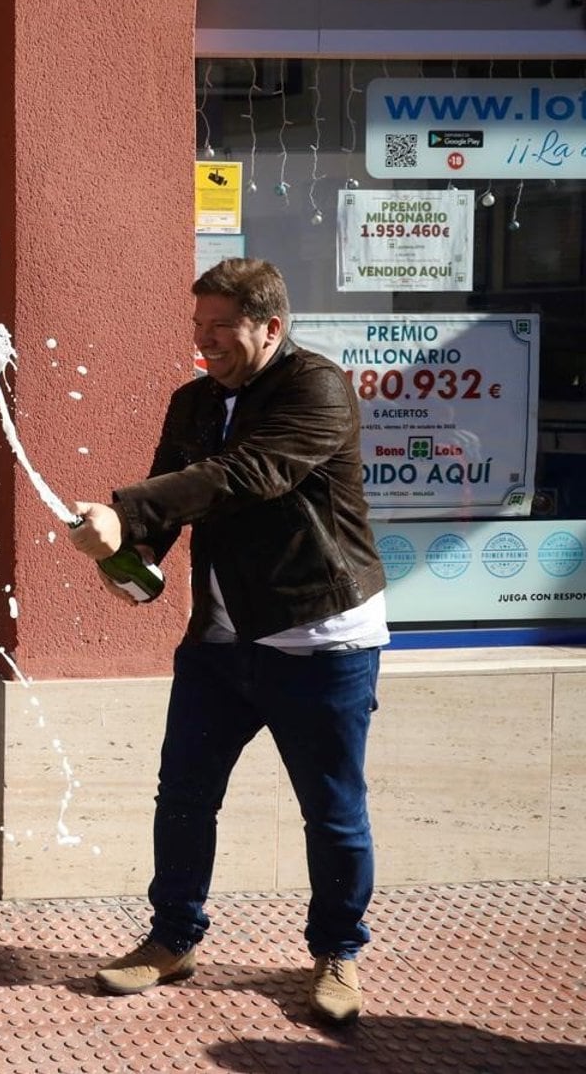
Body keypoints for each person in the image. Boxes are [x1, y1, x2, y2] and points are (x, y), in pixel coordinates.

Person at [66, 257, 387, 1027]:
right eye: (197, 326)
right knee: (183, 793)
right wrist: (130, 556)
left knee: (332, 810)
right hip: (218, 642)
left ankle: (337, 949)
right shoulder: (193, 401)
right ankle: (173, 937)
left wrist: (123, 506)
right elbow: (169, 502)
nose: (204, 342)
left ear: (271, 327)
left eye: (222, 328)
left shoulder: (319, 388)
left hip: (319, 638)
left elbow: (247, 474)